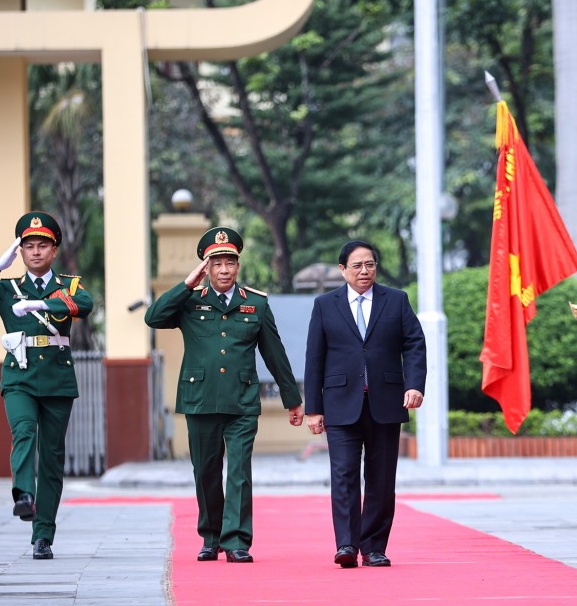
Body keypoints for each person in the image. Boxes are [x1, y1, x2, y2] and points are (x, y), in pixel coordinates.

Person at [144, 226, 303, 563]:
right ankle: (211, 536)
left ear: (238, 266)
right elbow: (153, 317)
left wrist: (292, 399)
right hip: (200, 399)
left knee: (239, 471)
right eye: (216, 264)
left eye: (230, 262)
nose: (224, 270)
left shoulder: (255, 304)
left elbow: (275, 353)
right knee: (205, 472)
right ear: (206, 267)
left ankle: (236, 541)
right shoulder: (190, 301)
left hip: (242, 401)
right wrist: (187, 284)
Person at [0, 211, 93, 560]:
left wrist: (40, 303)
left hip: (57, 379)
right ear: (20, 252)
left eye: (42, 246)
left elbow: (85, 305)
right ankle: (23, 495)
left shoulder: (69, 285)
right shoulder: (6, 289)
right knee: (23, 432)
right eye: (28, 246)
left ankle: (43, 536)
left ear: (54, 250)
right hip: (18, 375)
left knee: (51, 457)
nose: (35, 252)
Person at [304, 240, 427, 569]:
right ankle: (346, 544)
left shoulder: (396, 300)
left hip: (385, 403)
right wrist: (314, 408)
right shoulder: (325, 305)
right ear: (342, 269)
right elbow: (314, 359)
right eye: (357, 265)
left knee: (381, 478)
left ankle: (374, 547)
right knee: (343, 475)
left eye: (369, 264)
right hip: (340, 404)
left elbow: (414, 343)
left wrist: (414, 384)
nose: (364, 271)